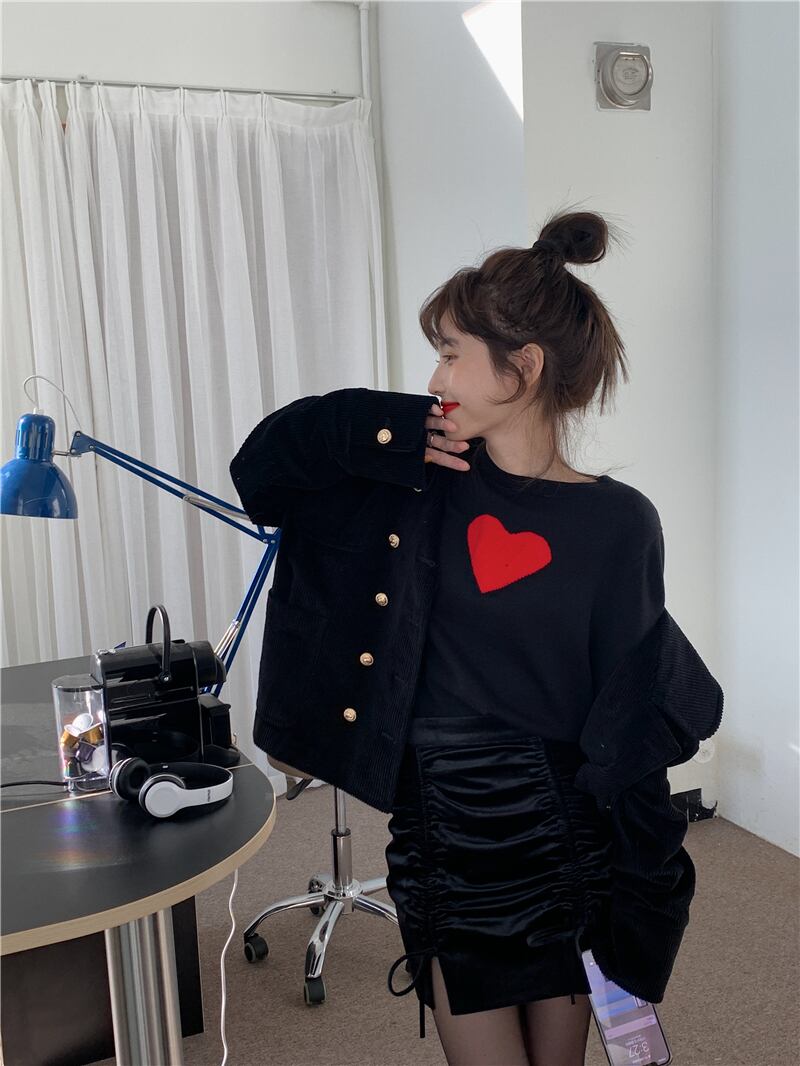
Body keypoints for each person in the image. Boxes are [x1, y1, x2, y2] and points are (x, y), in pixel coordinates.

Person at [382, 207, 665, 1066]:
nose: (433, 378)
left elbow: (632, 706)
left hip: (560, 832)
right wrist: (374, 433)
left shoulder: (620, 523)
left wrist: (645, 879)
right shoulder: (420, 488)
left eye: (450, 354)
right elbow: (266, 473)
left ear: (525, 367)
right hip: (448, 828)